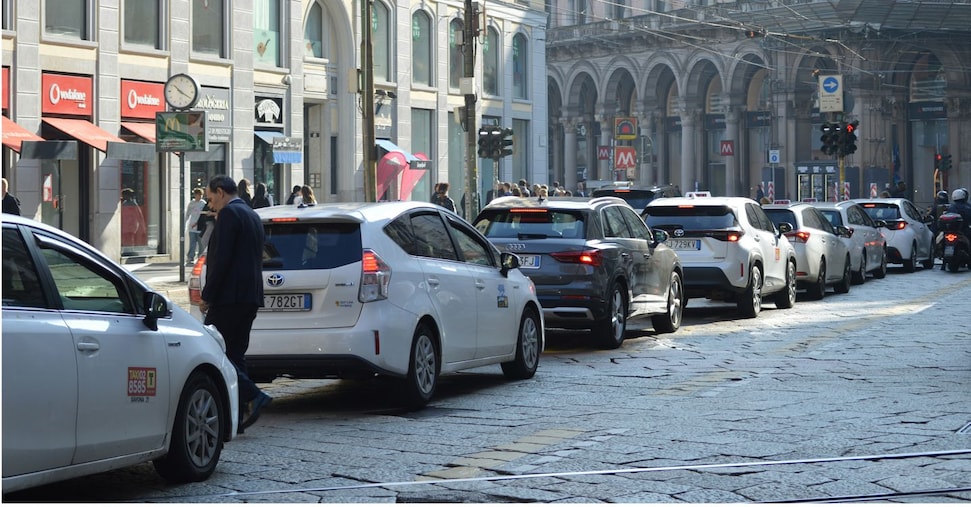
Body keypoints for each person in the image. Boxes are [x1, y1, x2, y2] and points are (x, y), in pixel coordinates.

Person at [199, 175, 272, 434]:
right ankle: (239, 416)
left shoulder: (230, 214)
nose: (211, 205)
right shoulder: (252, 214)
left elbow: (222, 260)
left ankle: (253, 395)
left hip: (229, 298)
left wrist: (207, 295)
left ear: (220, 192)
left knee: (215, 351)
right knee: (235, 355)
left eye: (211, 199)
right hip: (249, 296)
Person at [184, 188, 207, 265]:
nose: (199, 196)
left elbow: (203, 216)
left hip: (200, 227)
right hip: (191, 226)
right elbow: (187, 214)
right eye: (198, 195)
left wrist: (199, 223)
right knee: (192, 243)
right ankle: (190, 257)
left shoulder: (203, 204)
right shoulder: (191, 203)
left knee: (201, 244)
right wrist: (186, 224)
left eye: (201, 195)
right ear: (195, 195)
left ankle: (200, 257)